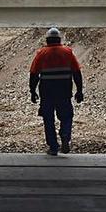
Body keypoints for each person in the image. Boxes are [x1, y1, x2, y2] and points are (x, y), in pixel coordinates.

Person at [29, 27, 85, 156]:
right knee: (67, 116)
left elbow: (34, 75)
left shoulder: (41, 53)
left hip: (47, 93)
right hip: (64, 92)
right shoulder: (67, 52)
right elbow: (77, 72)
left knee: (48, 119)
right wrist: (79, 91)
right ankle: (65, 135)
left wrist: (32, 91)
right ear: (59, 39)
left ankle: (53, 147)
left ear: (47, 40)